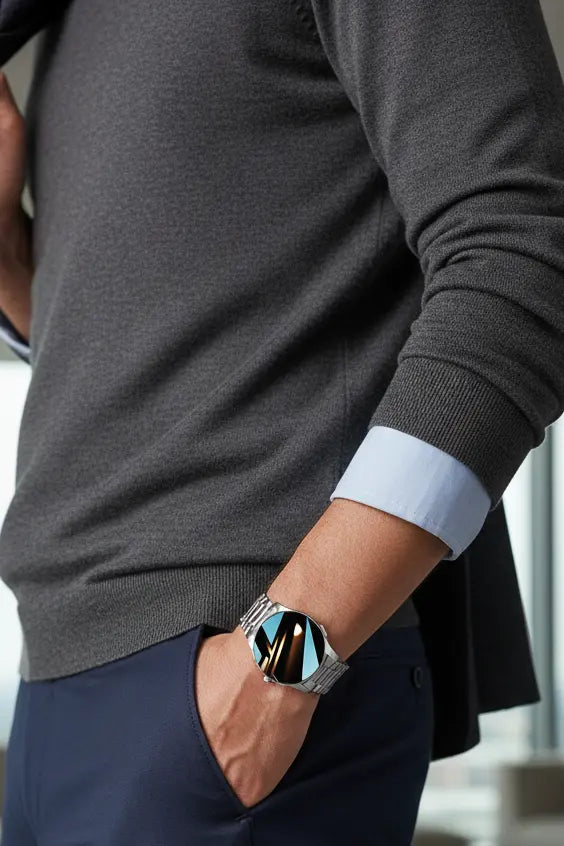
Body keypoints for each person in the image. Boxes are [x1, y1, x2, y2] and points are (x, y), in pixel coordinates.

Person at [0, 0, 563, 843]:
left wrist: (277, 665)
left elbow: (528, 254)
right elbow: (164, 360)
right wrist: (10, 255)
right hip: (56, 682)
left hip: (233, 682)